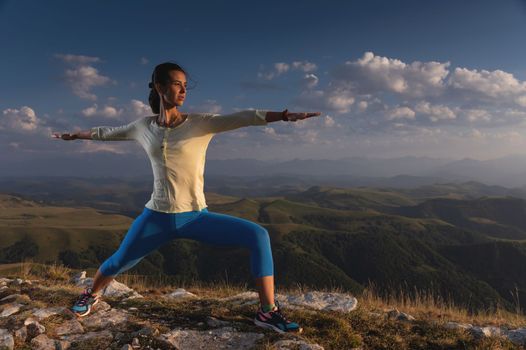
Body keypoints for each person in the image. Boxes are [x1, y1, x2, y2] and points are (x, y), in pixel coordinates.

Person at [52, 61, 321, 333]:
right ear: (160, 87)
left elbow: (244, 117)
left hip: (195, 217)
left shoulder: (200, 124)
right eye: (177, 84)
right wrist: (75, 135)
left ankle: (267, 312)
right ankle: (92, 295)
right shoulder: (143, 127)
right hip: (156, 217)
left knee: (258, 235)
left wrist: (284, 116)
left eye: (185, 85)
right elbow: (106, 133)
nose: (183, 90)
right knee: (118, 261)